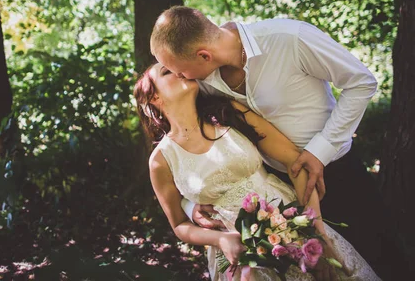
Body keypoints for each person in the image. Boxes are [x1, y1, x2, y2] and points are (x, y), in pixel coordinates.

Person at [149, 6, 407, 279]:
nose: (183, 78)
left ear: (203, 55)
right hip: (272, 191)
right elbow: (187, 148)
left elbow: (361, 82)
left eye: (180, 71)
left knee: (377, 260)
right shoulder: (204, 79)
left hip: (337, 173)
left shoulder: (290, 38)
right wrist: (190, 206)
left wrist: (319, 151)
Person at [134, 63, 380, 280]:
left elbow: (295, 163)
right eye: (167, 72)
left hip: (290, 219)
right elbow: (179, 225)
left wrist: (317, 234)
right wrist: (219, 240)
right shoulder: (161, 160)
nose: (178, 71)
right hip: (240, 256)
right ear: (154, 98)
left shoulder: (228, 113)